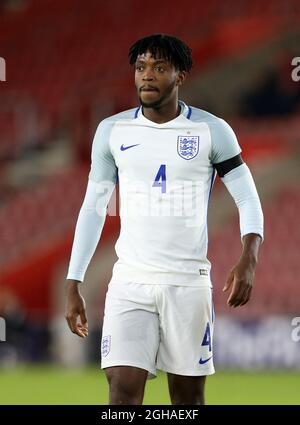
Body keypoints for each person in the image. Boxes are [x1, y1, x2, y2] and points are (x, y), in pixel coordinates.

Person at [65, 34, 264, 405]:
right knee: (121, 391)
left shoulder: (211, 131)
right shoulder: (112, 131)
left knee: (187, 399)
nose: (147, 76)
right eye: (141, 68)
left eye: (159, 67)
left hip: (187, 284)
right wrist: (74, 280)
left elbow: (247, 197)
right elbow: (93, 206)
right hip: (130, 283)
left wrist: (249, 257)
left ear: (180, 76)